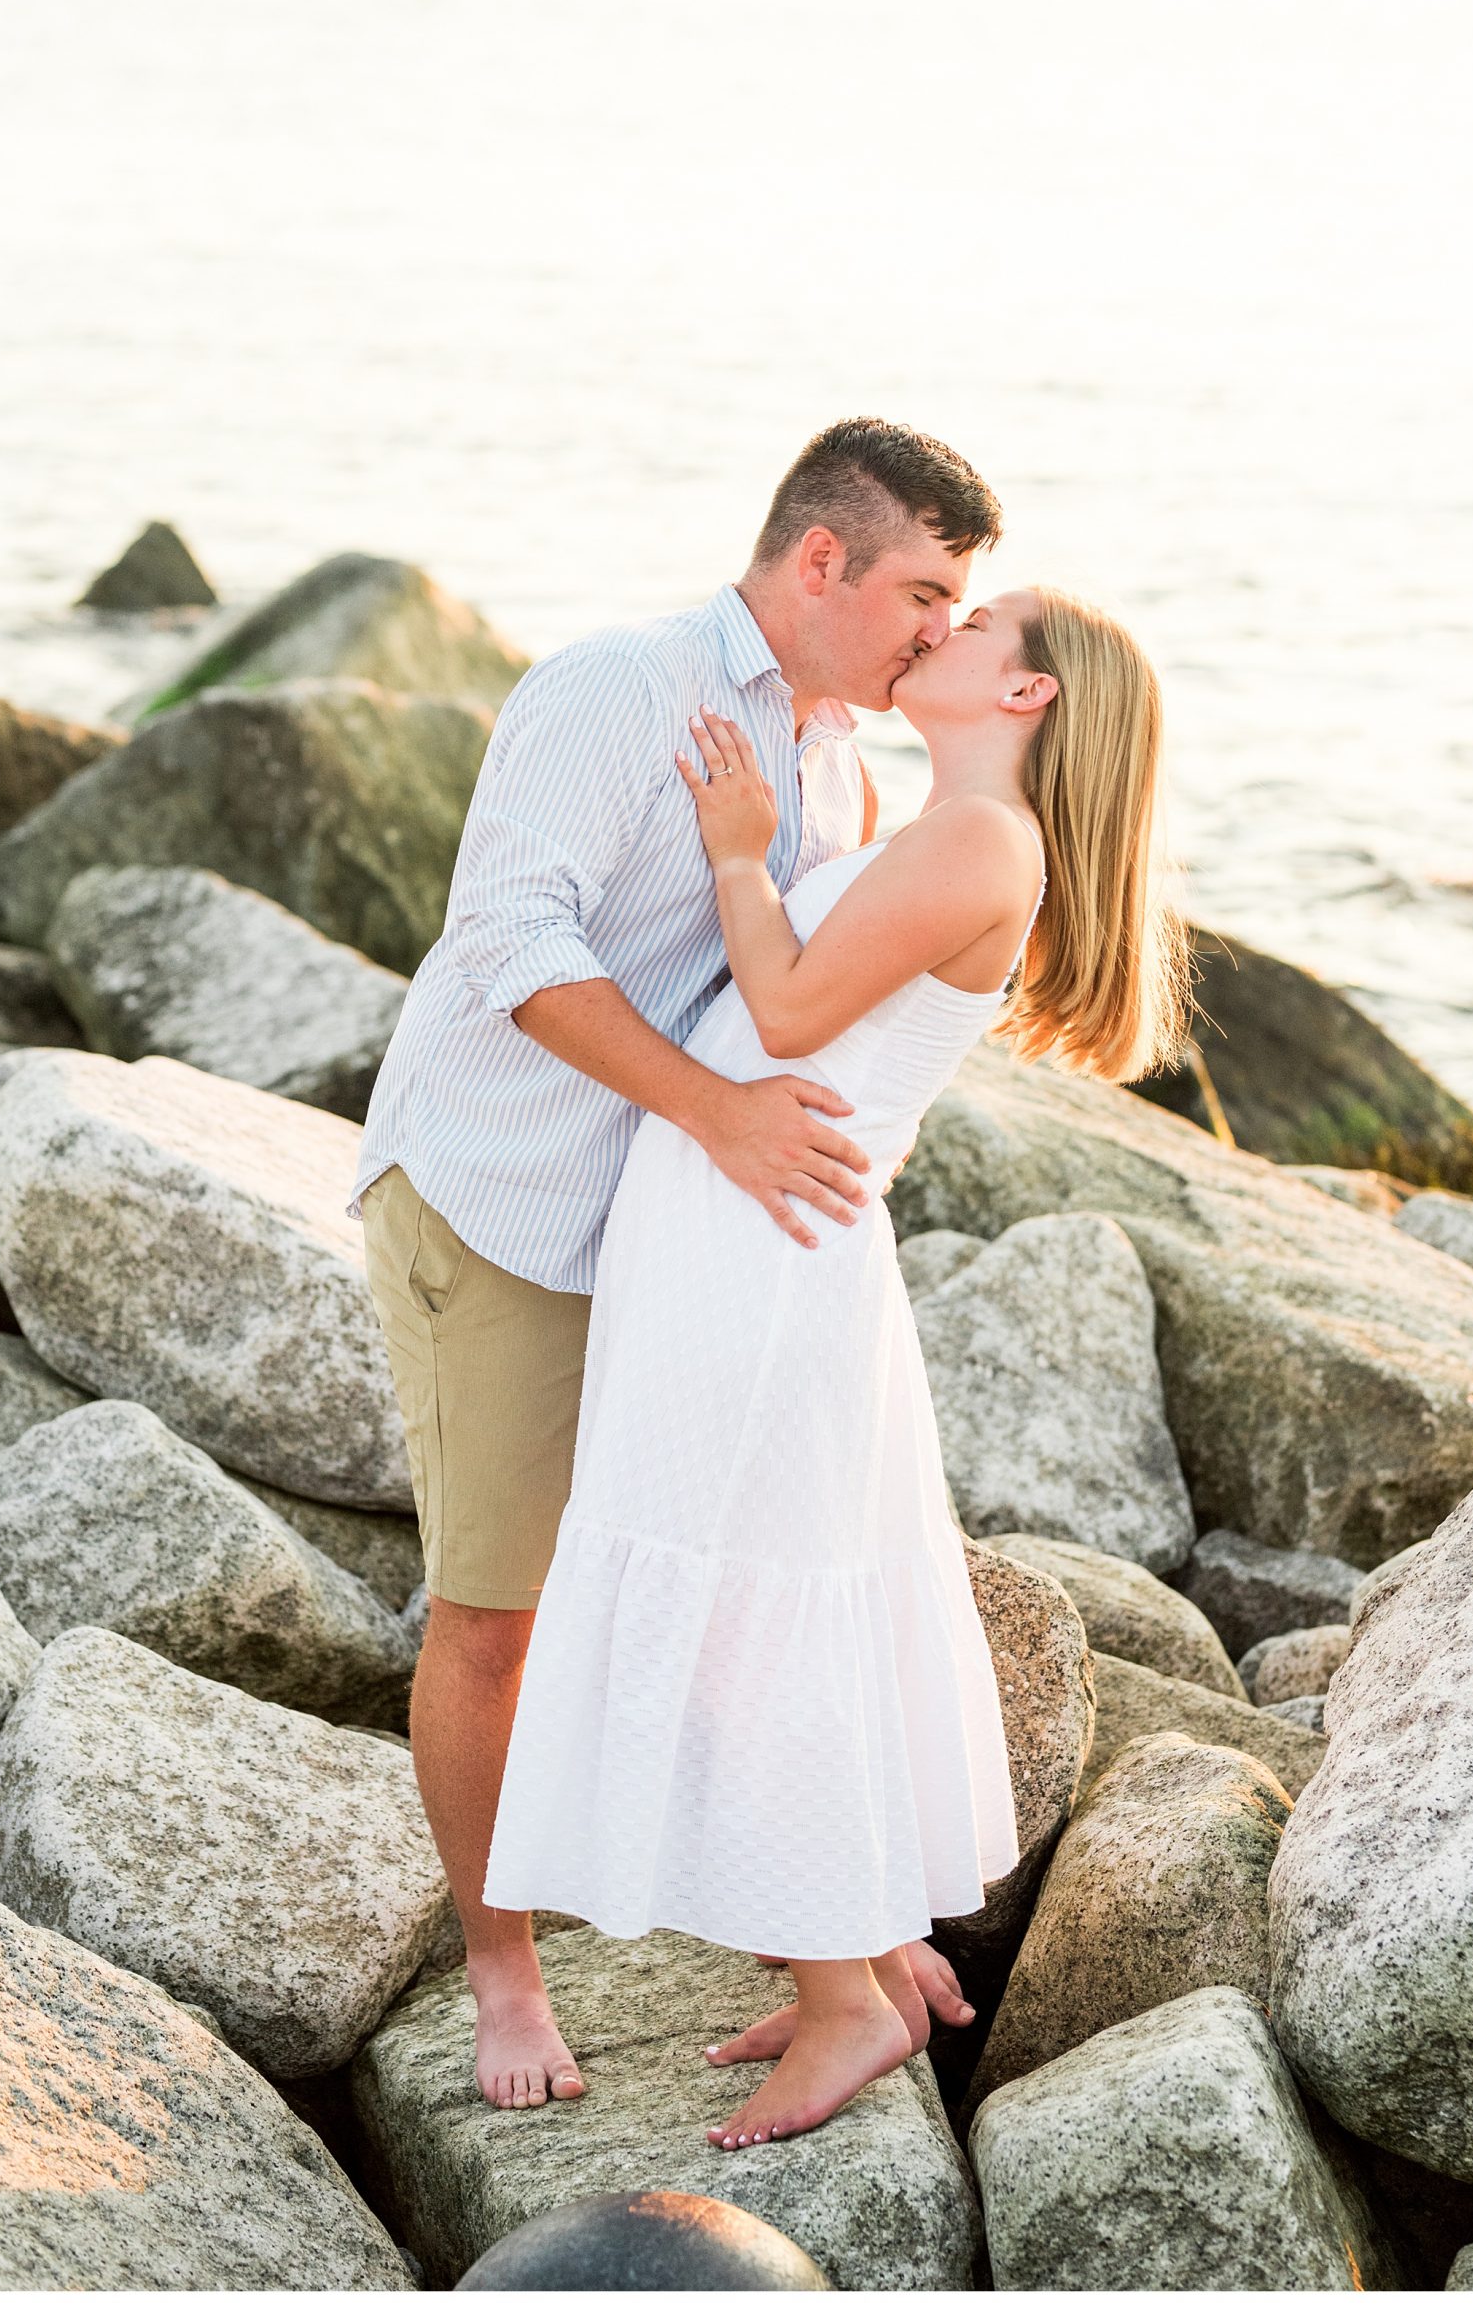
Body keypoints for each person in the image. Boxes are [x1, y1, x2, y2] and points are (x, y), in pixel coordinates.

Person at [348, 419, 1006, 2108]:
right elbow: (505, 942)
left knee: (709, 1584)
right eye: (924, 589)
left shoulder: (844, 766)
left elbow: (823, 1011)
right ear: (820, 562)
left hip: (685, 1249)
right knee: (496, 1614)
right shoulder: (619, 688)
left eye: (965, 603)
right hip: (505, 1202)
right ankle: (503, 1975)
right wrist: (718, 1115)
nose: (942, 626)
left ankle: (825, 1940)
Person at [482, 582, 1189, 2145]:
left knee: (746, 1609)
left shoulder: (981, 840)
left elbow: (790, 1010)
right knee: (765, 1589)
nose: (944, 629)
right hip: (747, 1231)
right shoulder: (951, 826)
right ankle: (852, 1957)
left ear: (1030, 696)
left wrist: (738, 851)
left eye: (977, 620)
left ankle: (846, 2006)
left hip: (760, 1250)